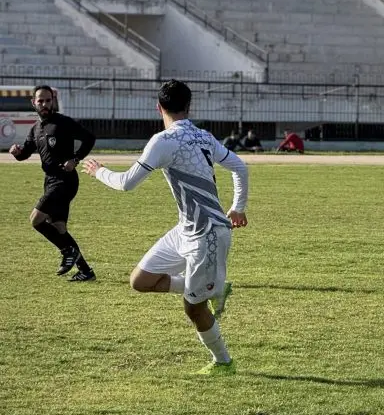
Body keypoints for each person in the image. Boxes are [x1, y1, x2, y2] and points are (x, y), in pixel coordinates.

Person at [82, 80, 249, 376]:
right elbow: (240, 167)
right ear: (189, 106)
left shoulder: (163, 141)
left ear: (158, 107)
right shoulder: (204, 136)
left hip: (207, 234)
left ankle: (224, 362)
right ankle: (214, 288)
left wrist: (99, 172)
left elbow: (126, 184)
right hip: (186, 230)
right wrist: (238, 206)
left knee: (193, 309)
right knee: (140, 280)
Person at [9, 85, 97, 281]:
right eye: (41, 101)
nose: (45, 104)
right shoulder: (35, 129)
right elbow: (25, 153)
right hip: (50, 182)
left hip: (65, 182)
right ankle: (85, 271)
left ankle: (68, 251)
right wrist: (17, 152)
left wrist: (75, 159)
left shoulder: (63, 123)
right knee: (59, 228)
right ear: (34, 103)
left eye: (48, 100)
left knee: (36, 219)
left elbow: (89, 138)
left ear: (53, 101)